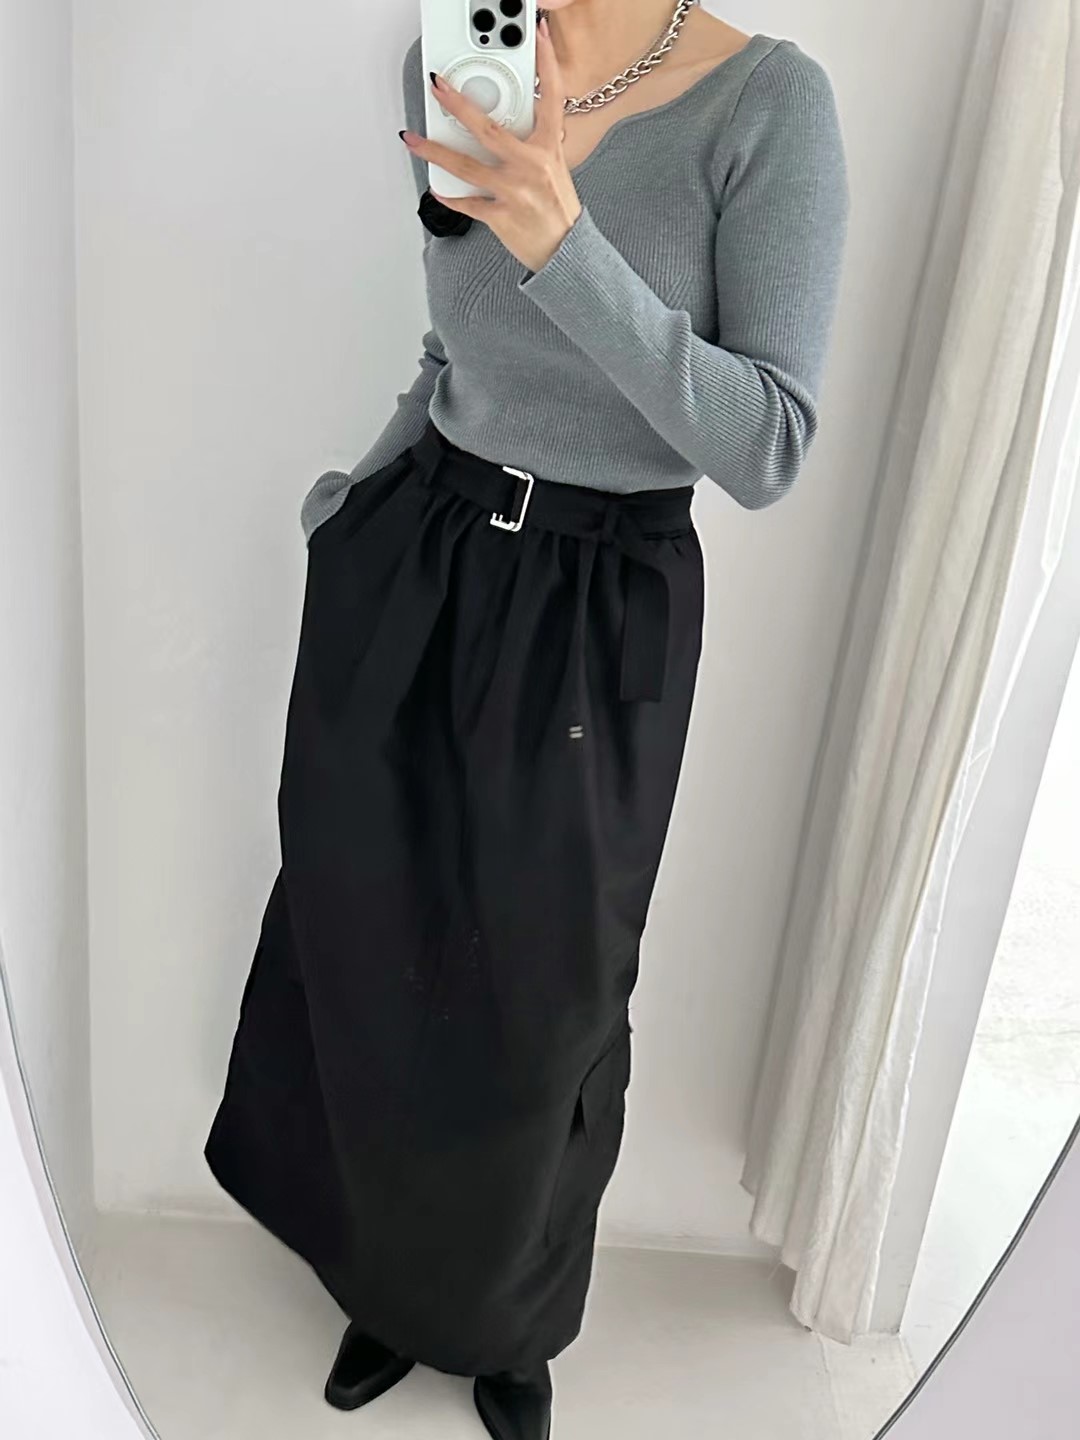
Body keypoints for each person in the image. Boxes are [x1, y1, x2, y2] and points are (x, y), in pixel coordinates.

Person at [203, 3, 849, 1437]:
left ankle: (503, 1323)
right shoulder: (453, 57)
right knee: (365, 936)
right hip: (419, 553)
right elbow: (463, 349)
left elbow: (767, 442)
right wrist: (356, 501)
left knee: (544, 999)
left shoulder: (766, 107)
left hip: (600, 594)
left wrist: (565, 237)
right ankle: (389, 1284)